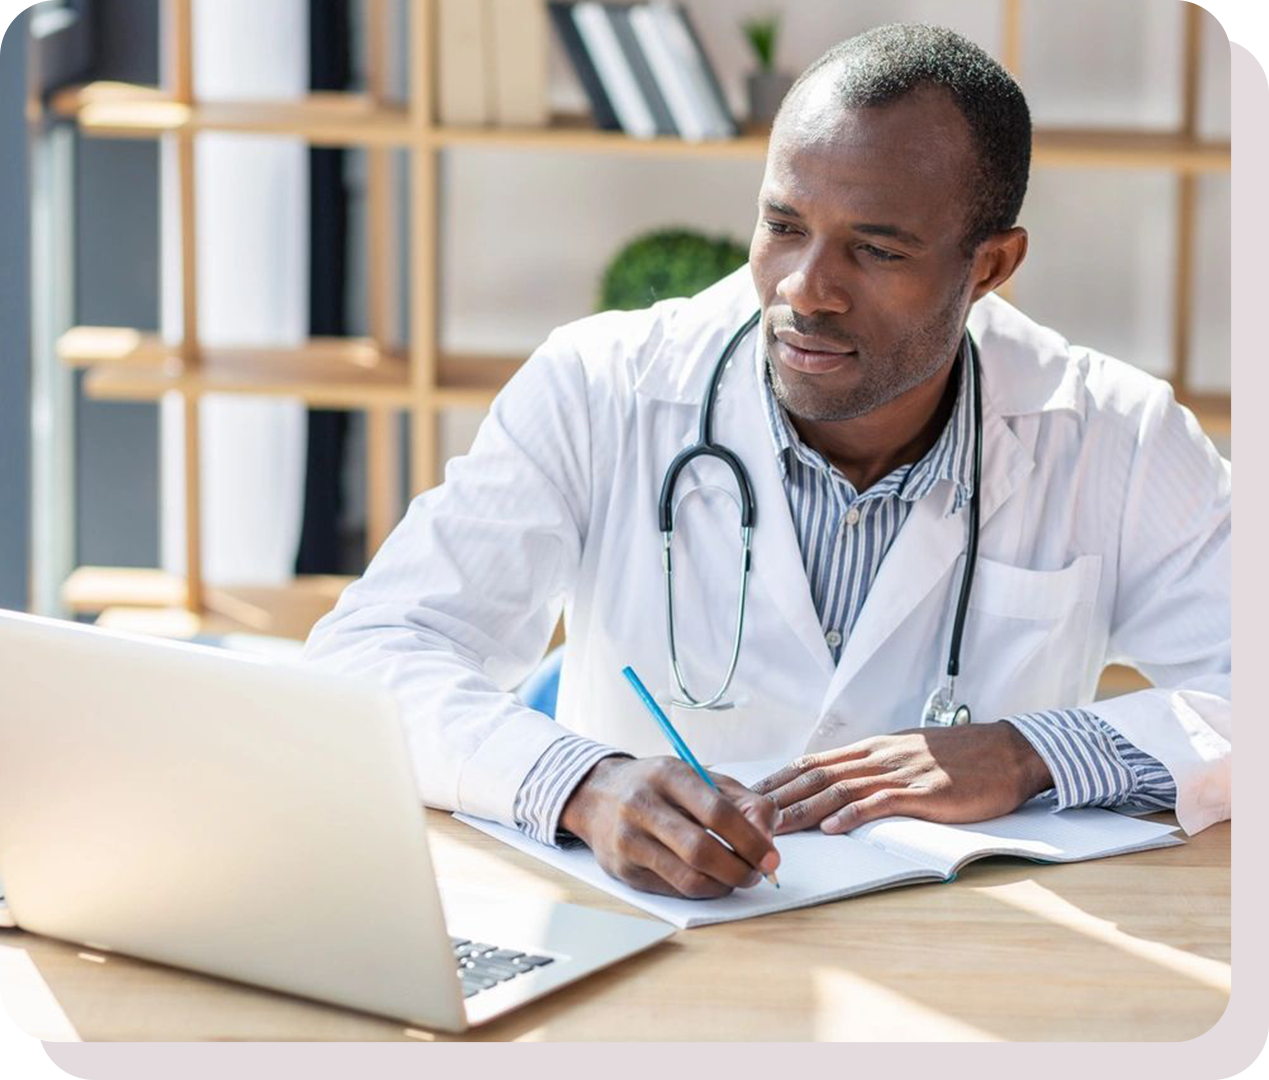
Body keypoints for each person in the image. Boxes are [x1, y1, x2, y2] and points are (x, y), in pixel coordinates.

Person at [304, 24, 1231, 900]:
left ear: (988, 267)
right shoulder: (601, 386)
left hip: (965, 945)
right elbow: (368, 655)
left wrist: (1035, 751)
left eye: (874, 248)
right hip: (648, 936)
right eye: (783, 225)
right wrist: (579, 782)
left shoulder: (1116, 433)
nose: (803, 289)